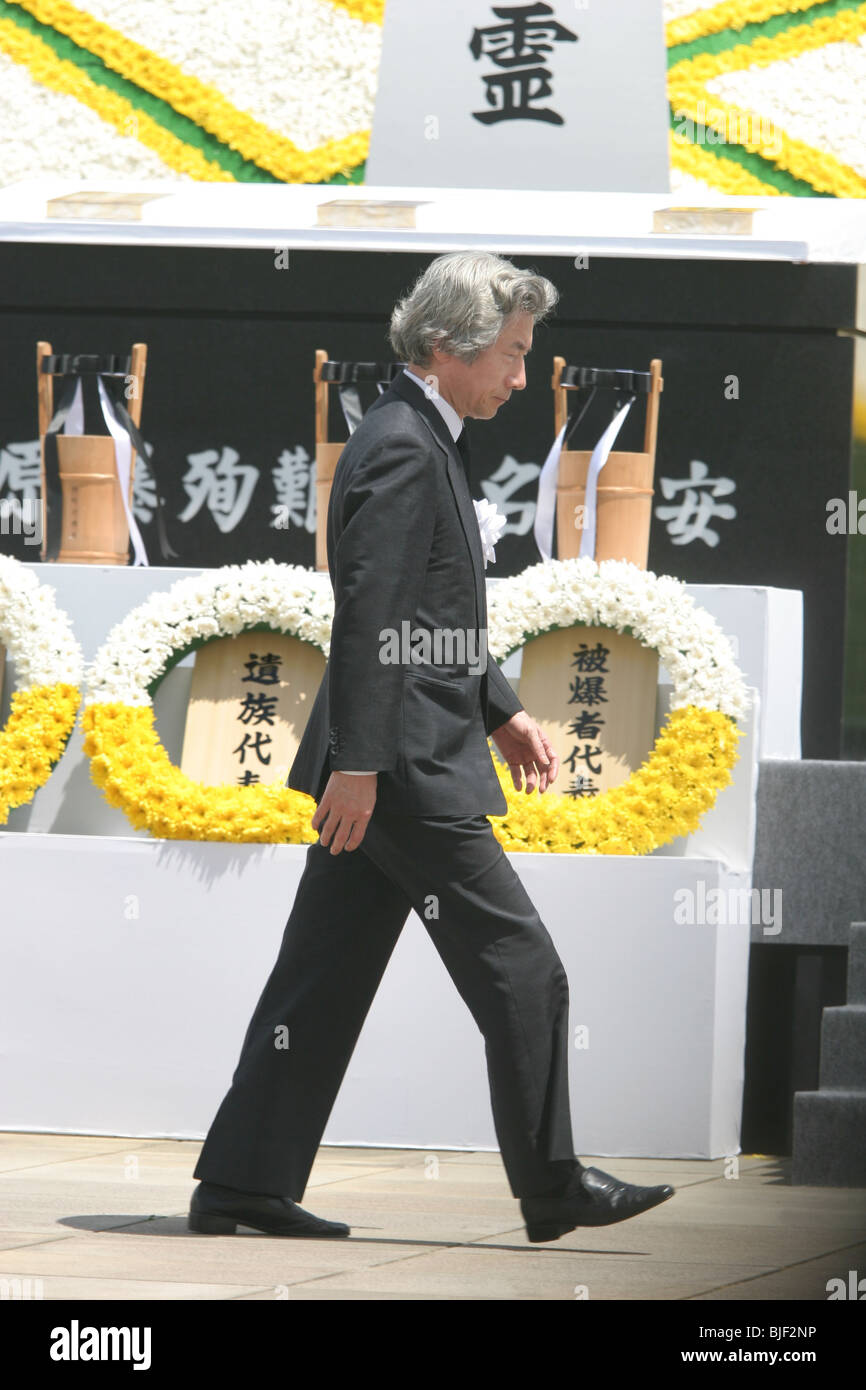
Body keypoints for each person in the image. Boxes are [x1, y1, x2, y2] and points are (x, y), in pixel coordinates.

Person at [188, 251, 675, 1244]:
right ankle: (552, 1185)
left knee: (318, 982)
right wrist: (360, 764)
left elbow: (429, 607)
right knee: (525, 969)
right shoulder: (407, 445)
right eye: (508, 352)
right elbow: (370, 614)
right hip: (402, 771)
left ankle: (240, 1180)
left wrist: (498, 706)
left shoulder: (421, 433)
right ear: (445, 348)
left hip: (402, 755)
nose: (520, 373)